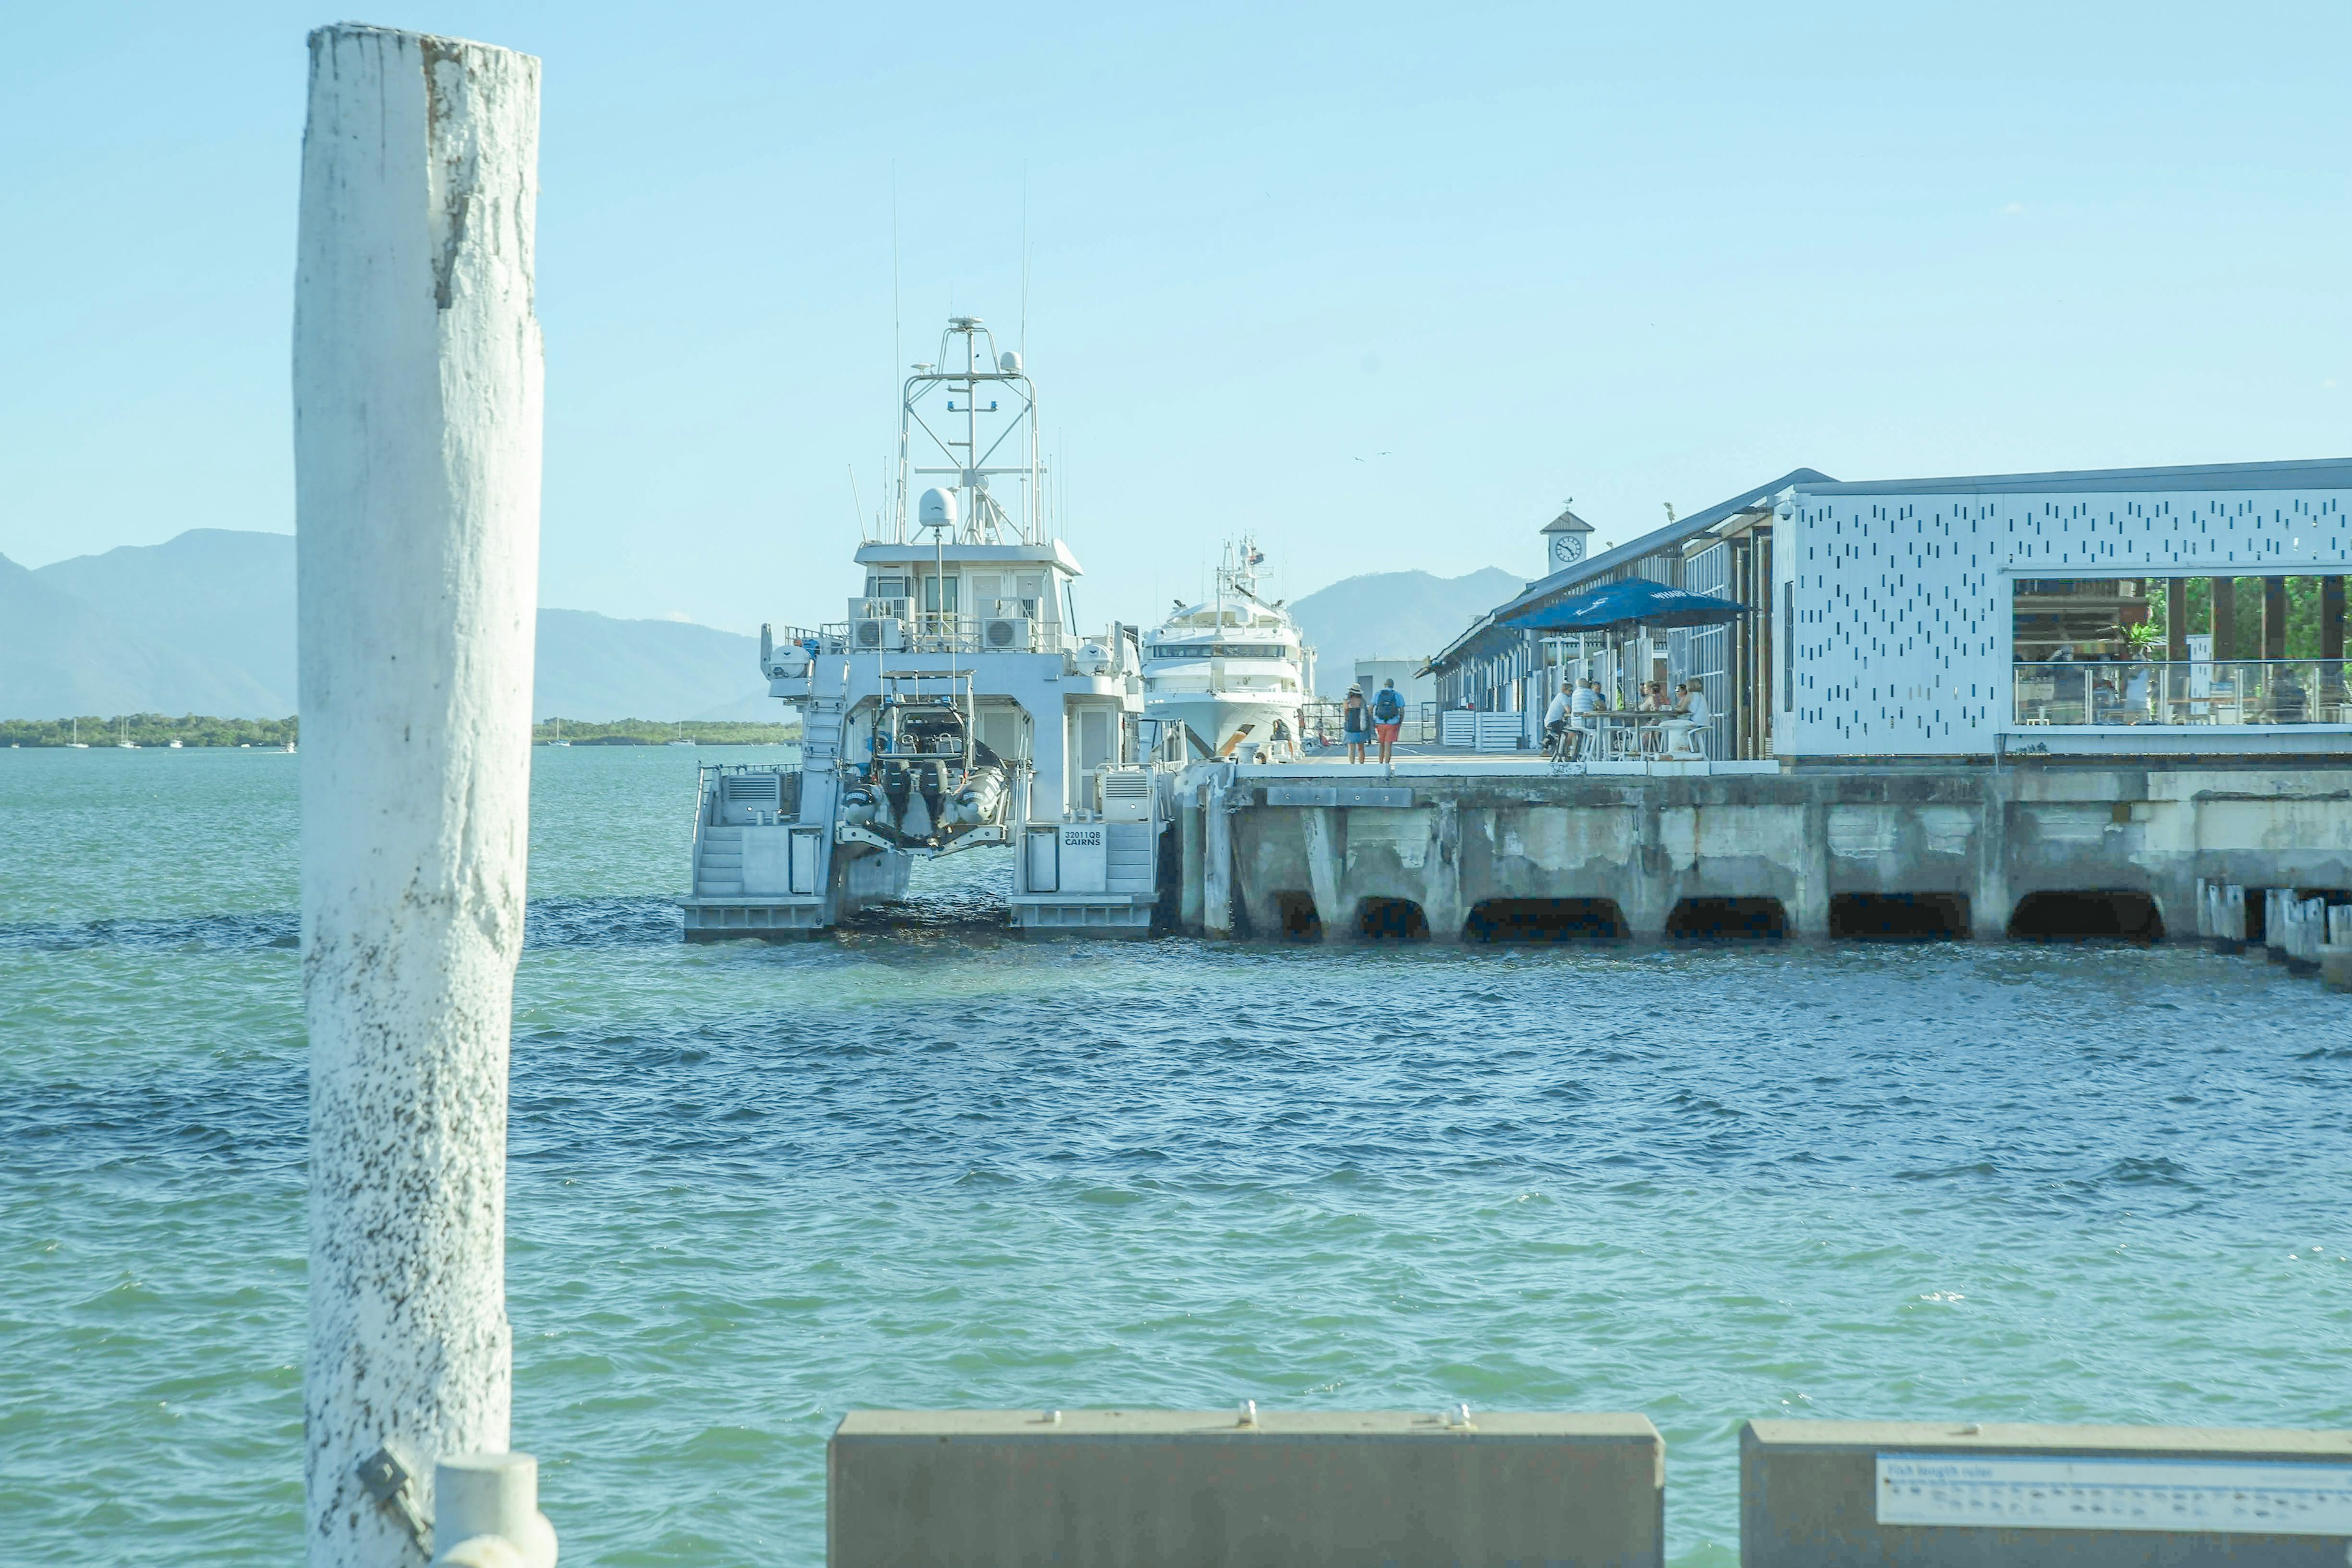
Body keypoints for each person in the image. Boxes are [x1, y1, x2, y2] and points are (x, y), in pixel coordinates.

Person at [1371, 677, 1405, 764]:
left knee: (1381, 744)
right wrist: (1400, 722)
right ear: (1393, 686)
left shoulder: (1378, 694)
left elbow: (1370, 708)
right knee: (1388, 744)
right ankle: (1387, 764)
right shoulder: (1397, 695)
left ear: (1385, 685)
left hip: (1380, 722)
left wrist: (1372, 720)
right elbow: (1402, 711)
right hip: (1392, 723)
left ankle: (1380, 763)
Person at [1341, 684, 1371, 763]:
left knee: (1351, 748)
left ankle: (1352, 764)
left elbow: (1345, 711)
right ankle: (1361, 764)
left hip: (1350, 724)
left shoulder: (1347, 700)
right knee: (1361, 748)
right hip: (1361, 725)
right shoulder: (1362, 701)